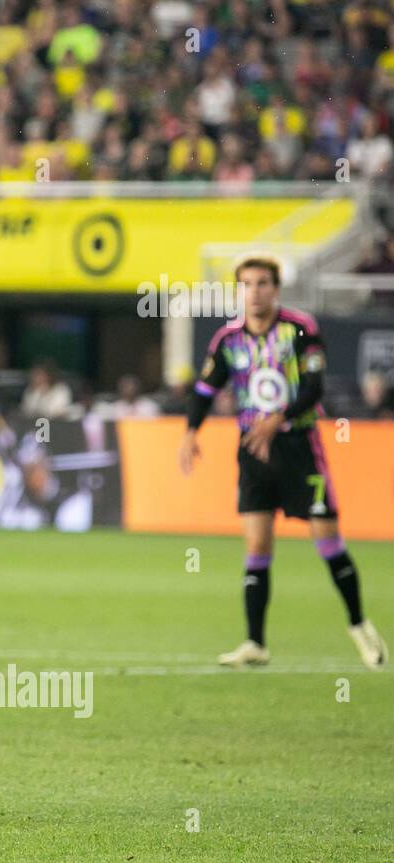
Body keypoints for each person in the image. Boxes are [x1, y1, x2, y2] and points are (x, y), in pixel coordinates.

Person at [180, 254, 386, 670]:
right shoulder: (227, 341)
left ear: (275, 289)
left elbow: (313, 388)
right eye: (248, 284)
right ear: (240, 290)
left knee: (327, 541)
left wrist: (279, 419)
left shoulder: (301, 330)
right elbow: (204, 390)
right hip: (254, 451)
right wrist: (190, 433)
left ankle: (359, 625)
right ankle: (255, 642)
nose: (254, 293)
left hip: (299, 449)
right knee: (257, 544)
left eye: (262, 284)